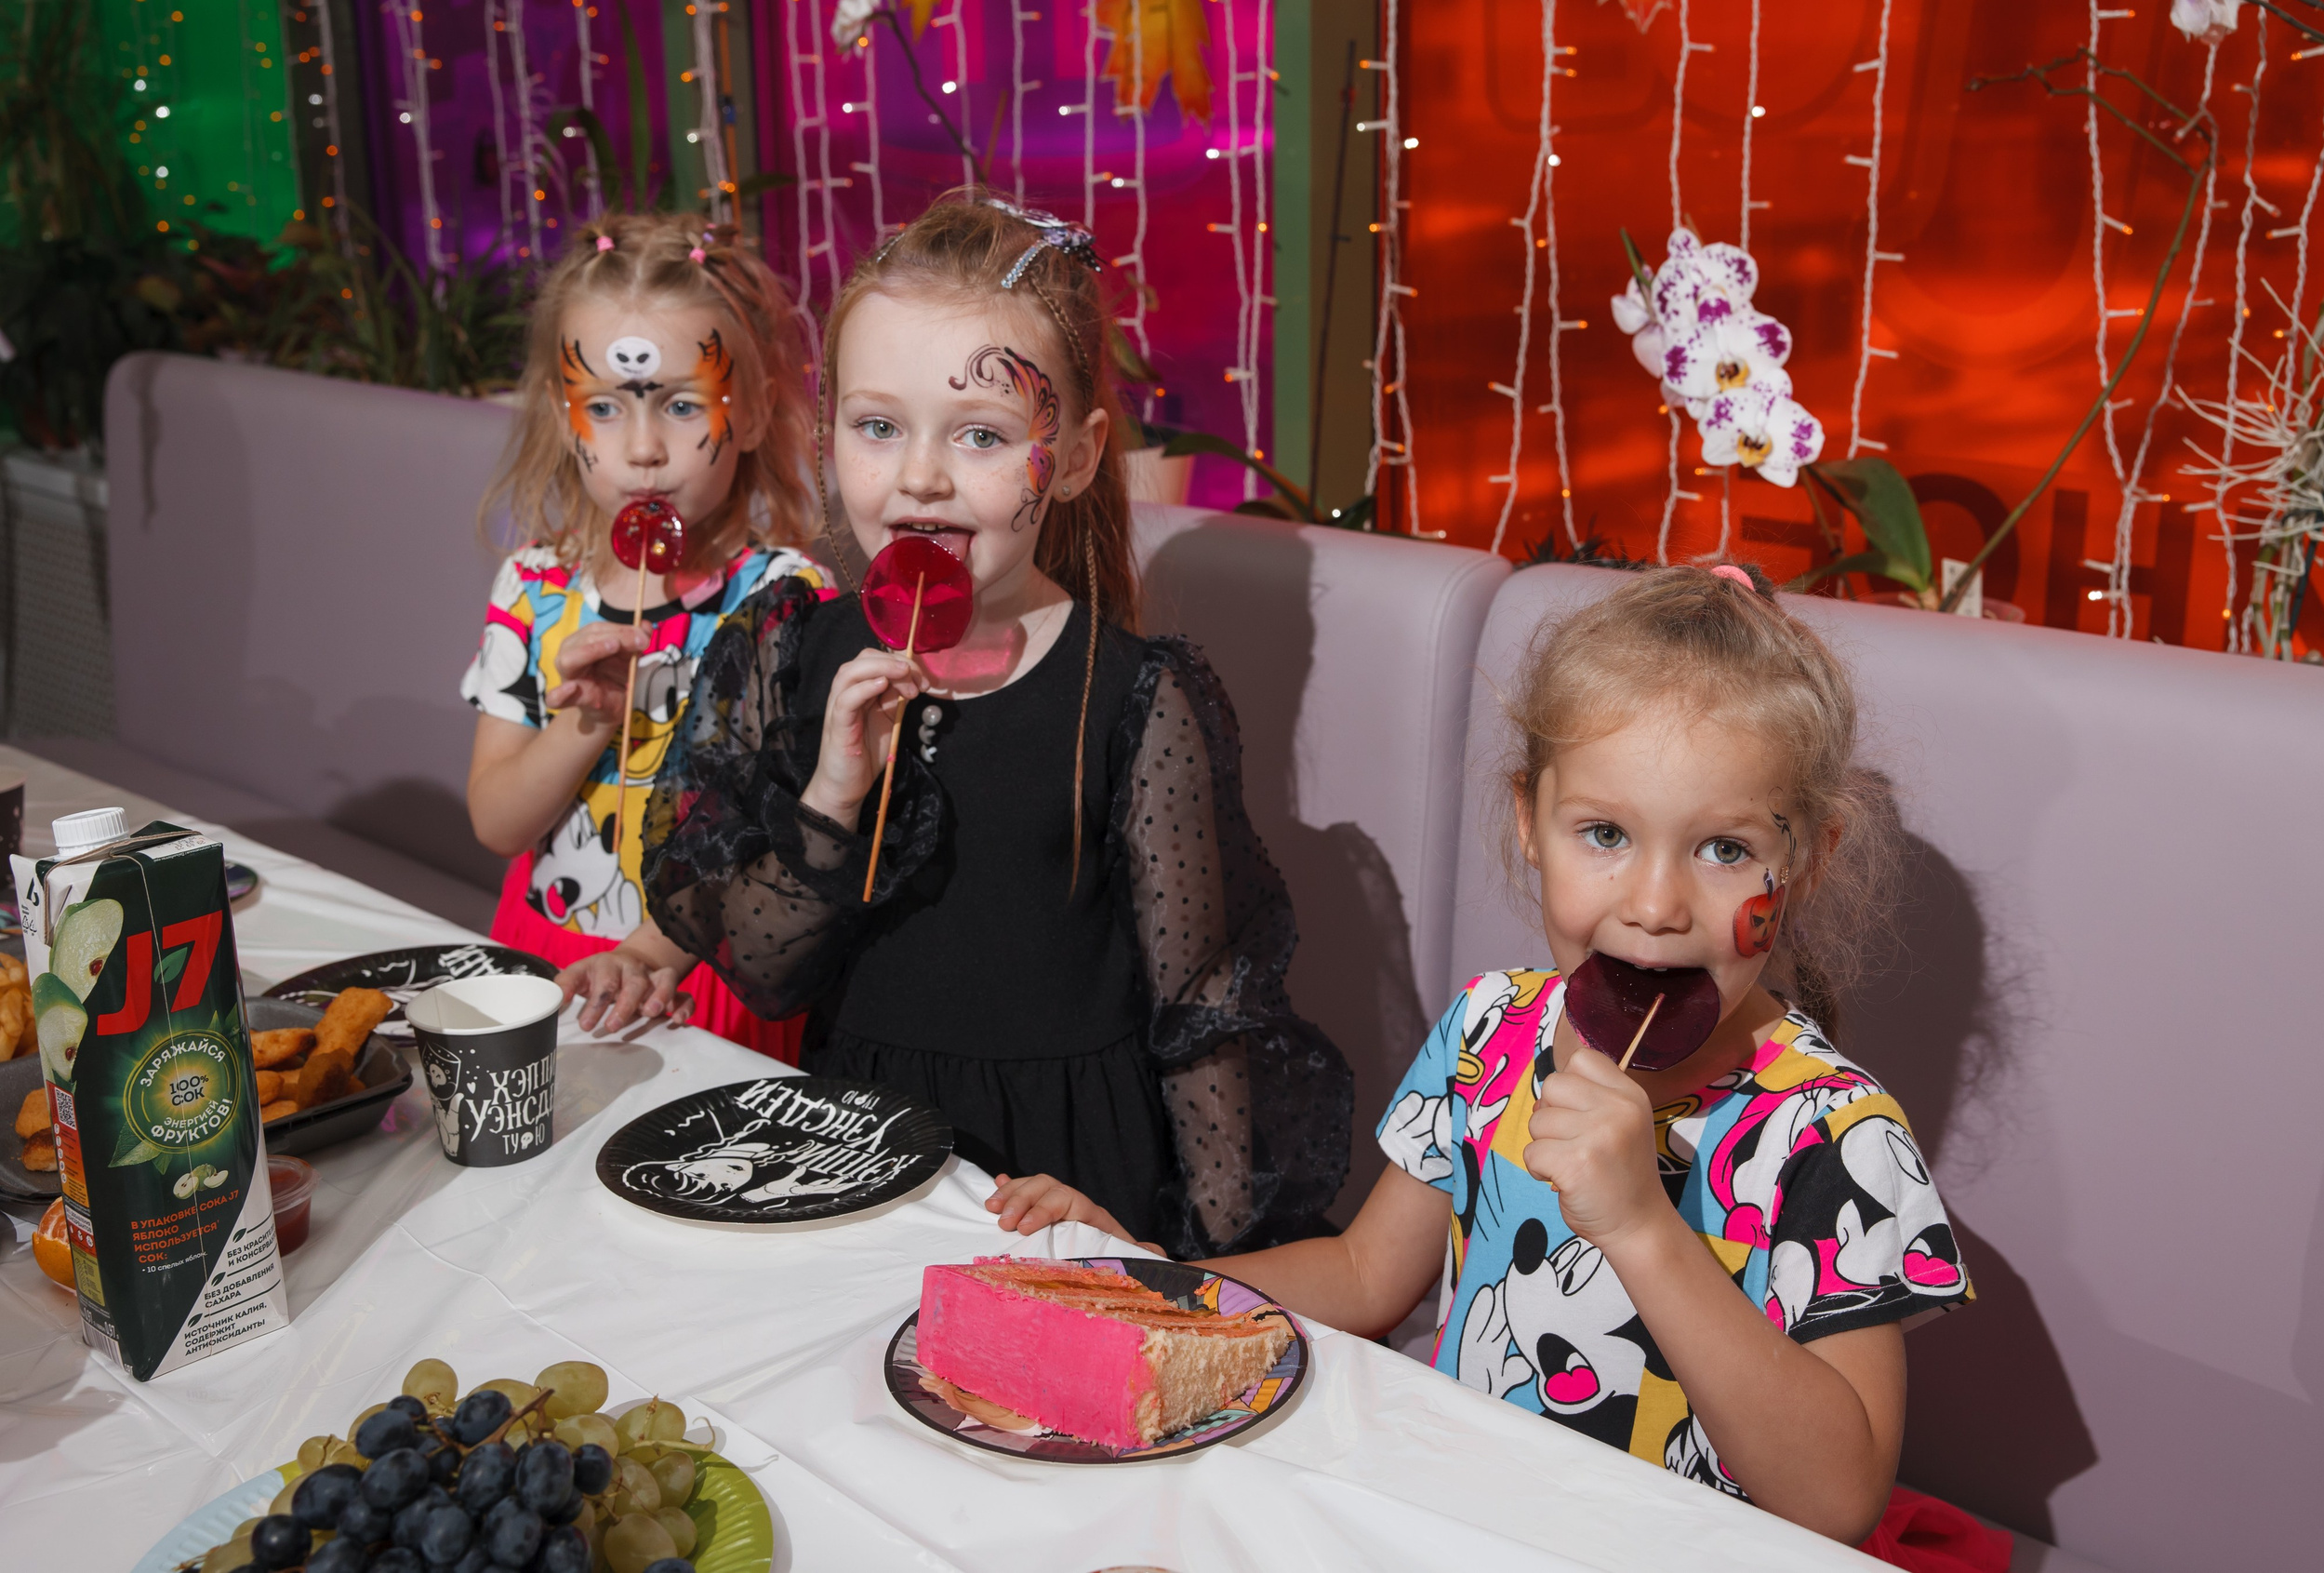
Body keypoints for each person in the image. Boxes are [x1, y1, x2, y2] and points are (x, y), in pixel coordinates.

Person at [989, 564, 1981, 1551]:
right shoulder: (1488, 1034)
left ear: (1804, 863)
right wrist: (1156, 1279)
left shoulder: (1837, 1136)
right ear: (1529, 823)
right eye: (1604, 834)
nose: (1655, 904)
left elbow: (1837, 1503)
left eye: (1722, 849)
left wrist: (1640, 1223)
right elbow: (1364, 1273)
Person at [557, 189, 1353, 1259]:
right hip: (854, 1144)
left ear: (1069, 458)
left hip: (1057, 1177)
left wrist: (1205, 1270)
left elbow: (1202, 1014)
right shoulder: (790, 649)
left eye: (981, 435)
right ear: (828, 426)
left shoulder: (1130, 697)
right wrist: (835, 790)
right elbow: (761, 968)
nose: (920, 476)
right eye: (878, 426)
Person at [461, 213, 829, 1062]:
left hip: (709, 982)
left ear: (750, 411)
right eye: (606, 407)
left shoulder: (783, 597)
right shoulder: (535, 587)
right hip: (550, 964)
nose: (645, 450)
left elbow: (787, 846)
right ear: (564, 417)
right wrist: (585, 720)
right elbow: (496, 822)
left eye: (681, 404)